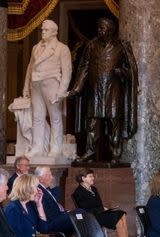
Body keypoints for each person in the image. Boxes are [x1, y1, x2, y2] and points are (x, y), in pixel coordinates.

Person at [68, 17, 138, 163]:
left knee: (114, 123)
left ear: (111, 30)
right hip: (96, 91)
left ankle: (115, 154)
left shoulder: (121, 46)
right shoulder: (91, 45)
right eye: (98, 27)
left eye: (102, 28)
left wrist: (122, 72)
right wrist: (77, 88)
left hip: (113, 91)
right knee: (92, 123)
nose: (99, 31)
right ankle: (89, 152)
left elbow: (131, 71)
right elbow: (84, 68)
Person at [23, 20, 72, 158]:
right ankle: (37, 147)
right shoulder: (35, 47)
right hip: (36, 84)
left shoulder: (62, 48)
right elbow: (30, 68)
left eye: (46, 30)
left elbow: (67, 72)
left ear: (54, 32)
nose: (43, 32)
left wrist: (62, 91)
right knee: (37, 117)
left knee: (55, 117)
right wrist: (26, 87)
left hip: (52, 83)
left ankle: (55, 148)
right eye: (42, 30)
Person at [35, 166, 94, 237]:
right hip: (51, 223)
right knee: (80, 212)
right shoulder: (39, 191)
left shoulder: (48, 190)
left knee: (81, 227)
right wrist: (66, 214)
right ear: (41, 178)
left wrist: (66, 213)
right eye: (49, 175)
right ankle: (95, 236)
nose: (52, 177)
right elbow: (49, 214)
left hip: (59, 218)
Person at [71, 168, 139, 237]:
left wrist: (105, 208)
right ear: (83, 178)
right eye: (90, 176)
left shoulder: (94, 189)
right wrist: (101, 208)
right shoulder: (78, 192)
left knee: (121, 213)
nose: (93, 178)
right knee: (118, 218)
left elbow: (98, 204)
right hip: (92, 218)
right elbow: (85, 210)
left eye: (93, 176)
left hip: (100, 214)